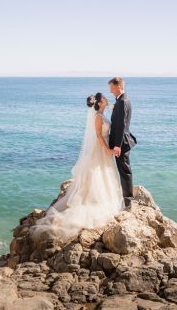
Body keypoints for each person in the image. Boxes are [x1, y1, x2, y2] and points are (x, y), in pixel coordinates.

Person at [30, 91, 124, 240]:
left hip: (102, 148)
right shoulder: (98, 117)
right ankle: (93, 200)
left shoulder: (102, 114)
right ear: (99, 103)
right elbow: (99, 136)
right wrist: (107, 150)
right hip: (99, 149)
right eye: (104, 98)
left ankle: (102, 198)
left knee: (104, 173)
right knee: (97, 174)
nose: (107, 99)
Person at [108, 76, 136, 210]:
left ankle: (128, 200)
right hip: (122, 141)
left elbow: (121, 125)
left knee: (125, 170)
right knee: (124, 169)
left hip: (122, 143)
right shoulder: (123, 100)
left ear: (119, 86)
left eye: (112, 88)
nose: (111, 91)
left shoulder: (122, 102)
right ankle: (126, 197)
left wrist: (117, 145)